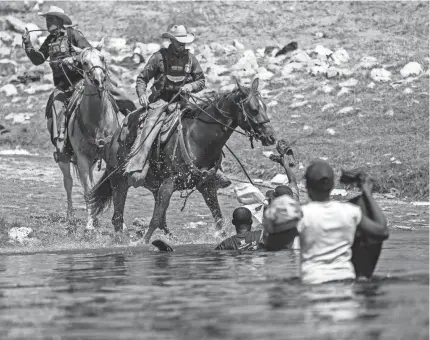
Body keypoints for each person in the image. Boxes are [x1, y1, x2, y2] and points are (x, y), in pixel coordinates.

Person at [22, 6, 136, 161]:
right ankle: (61, 145)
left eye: (51, 19)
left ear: (60, 21)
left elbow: (90, 53)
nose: (48, 23)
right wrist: (28, 44)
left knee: (116, 94)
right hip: (62, 86)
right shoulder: (49, 41)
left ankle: (134, 125)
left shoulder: (73, 34)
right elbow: (38, 59)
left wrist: (74, 59)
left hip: (82, 81)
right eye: (47, 20)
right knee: (55, 105)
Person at [125, 24, 231, 188]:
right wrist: (142, 94)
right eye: (179, 42)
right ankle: (137, 165)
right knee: (149, 126)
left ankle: (216, 170)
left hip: (182, 100)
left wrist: (190, 87)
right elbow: (142, 78)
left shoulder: (190, 59)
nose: (182, 45)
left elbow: (201, 80)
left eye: (184, 42)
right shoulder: (158, 57)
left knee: (207, 125)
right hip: (160, 100)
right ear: (172, 41)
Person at [296, 159, 389, 284]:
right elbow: (382, 231)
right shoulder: (350, 212)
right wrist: (367, 193)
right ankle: (363, 276)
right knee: (362, 204)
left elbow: (275, 243)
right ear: (333, 185)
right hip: (346, 281)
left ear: (307, 186)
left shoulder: (301, 214)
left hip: (313, 282)